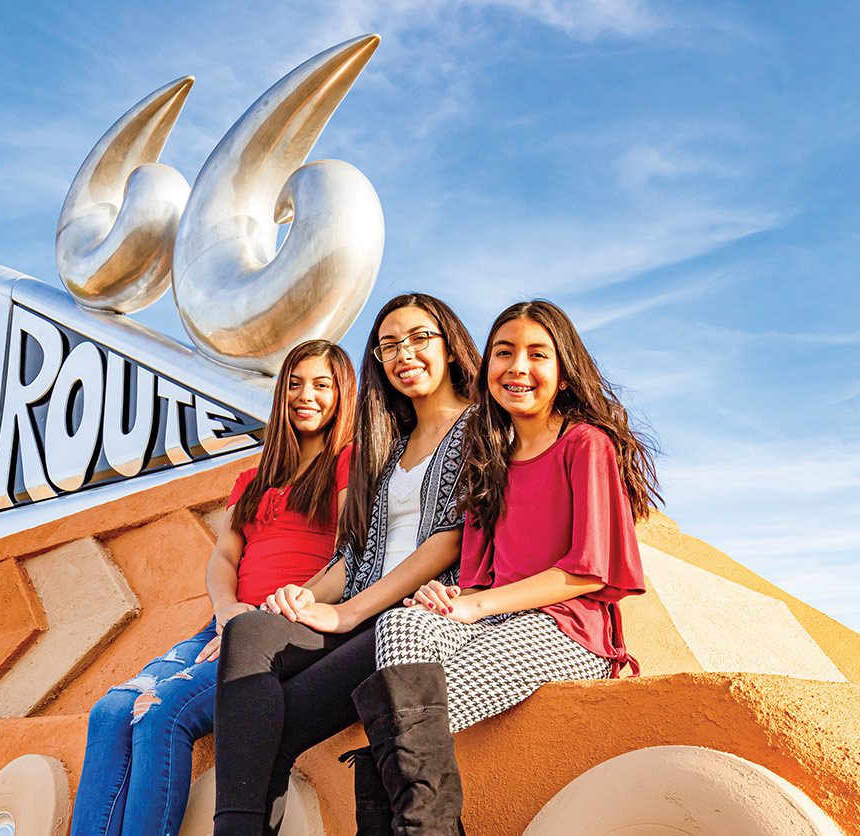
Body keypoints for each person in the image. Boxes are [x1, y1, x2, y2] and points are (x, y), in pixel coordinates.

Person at [354, 299, 661, 833]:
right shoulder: (488, 455)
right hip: (496, 624)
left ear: (563, 374)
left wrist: (473, 605)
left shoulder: (585, 445)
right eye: (504, 353)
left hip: (569, 631)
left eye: (537, 354)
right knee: (402, 627)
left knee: (393, 739)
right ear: (487, 366)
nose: (518, 368)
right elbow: (474, 575)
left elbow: (588, 572)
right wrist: (451, 600)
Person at [213, 293, 482, 835]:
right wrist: (306, 598)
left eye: (418, 338)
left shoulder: (478, 428)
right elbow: (353, 555)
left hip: (413, 619)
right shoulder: (387, 446)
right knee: (250, 633)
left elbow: (449, 542)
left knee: (277, 725)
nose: (404, 353)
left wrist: (348, 612)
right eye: (389, 346)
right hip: (358, 613)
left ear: (450, 346)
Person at [70, 340, 357, 836]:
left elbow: (351, 556)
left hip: (287, 628)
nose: (305, 395)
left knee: (162, 716)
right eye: (294, 383)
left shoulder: (350, 462)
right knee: (111, 710)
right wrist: (228, 612)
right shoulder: (252, 478)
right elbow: (224, 557)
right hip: (226, 621)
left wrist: (259, 625)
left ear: (342, 394)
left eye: (321, 384)